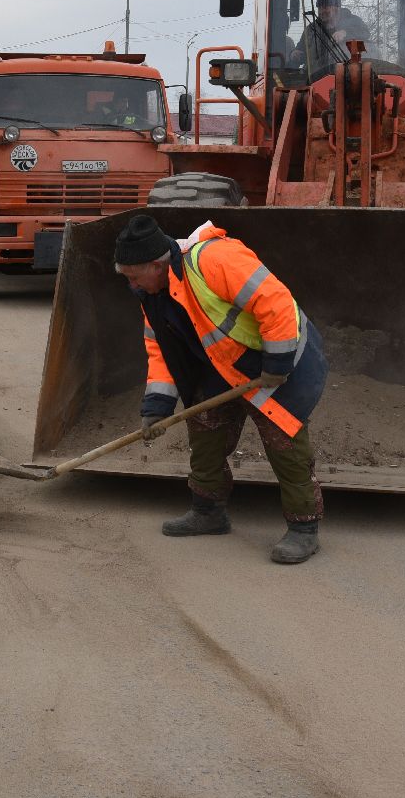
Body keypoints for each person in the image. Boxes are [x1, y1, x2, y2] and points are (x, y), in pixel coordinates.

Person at [114, 214, 329, 564]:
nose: (131, 285)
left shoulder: (215, 259)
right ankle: (208, 511)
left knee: (284, 444)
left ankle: (304, 529)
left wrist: (277, 365)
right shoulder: (151, 295)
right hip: (219, 365)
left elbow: (274, 301)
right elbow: (161, 351)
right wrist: (156, 406)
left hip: (275, 358)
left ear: (155, 265)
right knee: (205, 432)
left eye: (133, 277)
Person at [290, 0, 372, 79]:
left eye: (325, 8)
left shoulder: (353, 21)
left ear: (337, 8)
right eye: (319, 8)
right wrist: (294, 53)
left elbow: (365, 32)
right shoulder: (311, 30)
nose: (321, 12)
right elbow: (301, 49)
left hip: (346, 77)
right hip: (315, 79)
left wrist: (345, 33)